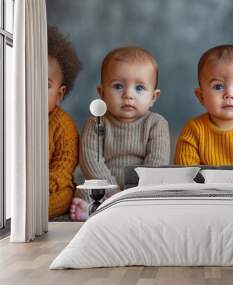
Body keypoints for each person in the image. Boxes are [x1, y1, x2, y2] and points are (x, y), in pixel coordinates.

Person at [70, 46, 170, 221]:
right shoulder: (96, 122)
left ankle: (107, 212)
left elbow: (157, 162)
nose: (128, 95)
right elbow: (91, 160)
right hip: (105, 185)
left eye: (139, 88)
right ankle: (94, 211)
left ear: (153, 97)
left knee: (161, 193)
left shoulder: (156, 123)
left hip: (141, 188)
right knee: (87, 191)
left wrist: (136, 191)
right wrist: (112, 190)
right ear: (102, 93)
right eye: (118, 86)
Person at [47, 26, 80, 218]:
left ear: (59, 94)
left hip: (55, 185)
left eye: (45, 85)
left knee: (65, 196)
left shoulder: (63, 125)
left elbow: (63, 167)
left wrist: (43, 186)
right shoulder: (11, 118)